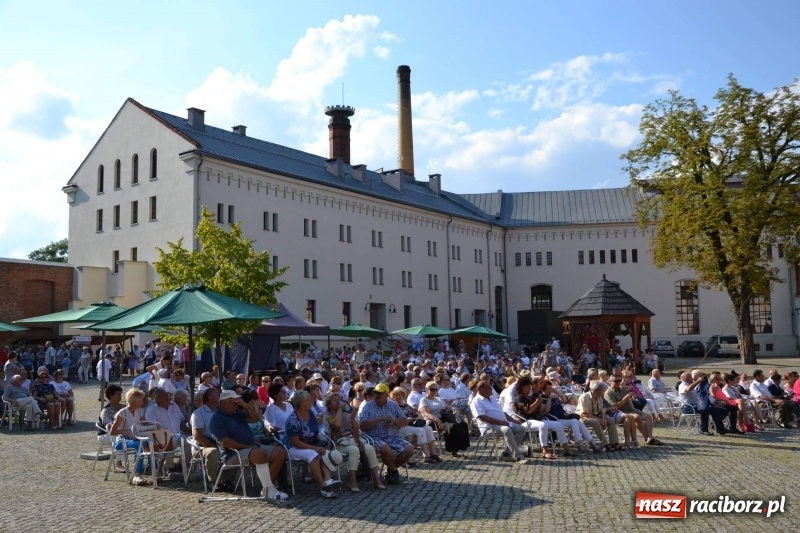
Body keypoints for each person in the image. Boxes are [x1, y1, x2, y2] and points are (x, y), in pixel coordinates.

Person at [209, 390, 289, 501]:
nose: (237, 404)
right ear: (225, 403)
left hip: (250, 448)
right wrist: (247, 447)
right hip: (232, 453)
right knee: (259, 453)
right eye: (234, 402)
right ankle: (269, 489)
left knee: (280, 452)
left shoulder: (236, 413)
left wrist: (245, 405)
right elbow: (225, 442)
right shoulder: (216, 419)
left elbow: (256, 418)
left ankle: (267, 489)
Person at [283, 390, 343, 498]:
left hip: (309, 443)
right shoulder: (292, 420)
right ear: (301, 404)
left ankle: (327, 480)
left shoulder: (310, 413)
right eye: (308, 400)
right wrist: (315, 448)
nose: (311, 401)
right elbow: (296, 442)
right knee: (313, 454)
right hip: (292, 448)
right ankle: (323, 487)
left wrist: (321, 443)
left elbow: (314, 432)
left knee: (325, 451)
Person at [324, 393, 385, 491]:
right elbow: (337, 425)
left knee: (369, 448)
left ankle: (376, 479)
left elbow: (356, 429)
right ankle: (352, 480)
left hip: (351, 440)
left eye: (338, 399)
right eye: (335, 400)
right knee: (354, 450)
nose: (338, 402)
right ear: (329, 405)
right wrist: (340, 409)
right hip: (339, 443)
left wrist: (352, 419)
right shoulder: (327, 416)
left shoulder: (345, 414)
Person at [358, 383, 415, 484]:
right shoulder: (367, 406)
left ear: (386, 395)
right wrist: (380, 418)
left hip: (393, 437)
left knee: (409, 449)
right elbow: (362, 425)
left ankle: (390, 470)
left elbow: (404, 421)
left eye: (380, 393)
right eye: (375, 393)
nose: (377, 395)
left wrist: (394, 421)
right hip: (375, 437)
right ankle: (394, 471)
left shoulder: (393, 405)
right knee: (385, 449)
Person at [471, 380, 530, 464]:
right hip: (489, 427)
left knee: (521, 429)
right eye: (489, 388)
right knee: (507, 430)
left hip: (502, 423)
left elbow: (502, 413)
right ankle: (518, 456)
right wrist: (500, 422)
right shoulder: (476, 401)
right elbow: (482, 417)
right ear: (481, 389)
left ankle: (507, 453)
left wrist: (514, 421)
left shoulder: (492, 398)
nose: (492, 390)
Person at [388, 387, 441, 464]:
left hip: (412, 424)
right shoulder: (393, 407)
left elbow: (415, 413)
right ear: (392, 398)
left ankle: (433, 453)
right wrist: (408, 419)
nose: (398, 397)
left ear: (403, 396)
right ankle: (426, 455)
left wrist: (418, 415)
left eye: (400, 395)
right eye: (395, 396)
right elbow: (398, 420)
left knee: (428, 428)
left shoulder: (406, 405)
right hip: (402, 427)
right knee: (421, 430)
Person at [418, 381, 470, 457]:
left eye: (436, 389)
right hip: (433, 421)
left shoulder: (438, 399)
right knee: (453, 427)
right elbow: (426, 414)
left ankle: (460, 447)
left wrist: (455, 409)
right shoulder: (423, 400)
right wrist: (438, 421)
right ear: (426, 390)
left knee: (463, 425)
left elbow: (448, 407)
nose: (434, 391)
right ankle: (452, 450)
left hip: (445, 418)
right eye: (432, 389)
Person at [110, 388, 149, 485]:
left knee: (151, 442)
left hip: (135, 438)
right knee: (139, 445)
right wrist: (127, 431)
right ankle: (137, 474)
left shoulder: (140, 411)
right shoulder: (122, 413)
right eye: (141, 400)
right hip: (121, 440)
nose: (143, 402)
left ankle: (155, 470)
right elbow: (112, 432)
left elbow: (143, 424)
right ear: (134, 401)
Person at [576, 381, 620, 451]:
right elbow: (585, 413)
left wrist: (604, 419)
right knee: (595, 421)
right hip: (583, 418)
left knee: (611, 420)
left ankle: (614, 442)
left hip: (595, 416)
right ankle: (605, 443)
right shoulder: (584, 397)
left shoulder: (599, 398)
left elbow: (602, 411)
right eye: (603, 391)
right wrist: (600, 420)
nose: (603, 393)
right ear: (598, 391)